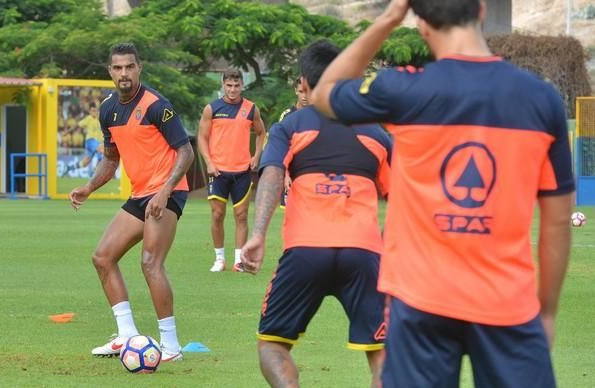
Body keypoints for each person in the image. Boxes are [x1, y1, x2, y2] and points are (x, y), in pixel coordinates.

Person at [311, 1, 575, 387]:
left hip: (419, 302)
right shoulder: (540, 98)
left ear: (420, 23)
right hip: (507, 302)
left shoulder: (403, 88)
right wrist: (547, 311)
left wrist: (387, 18)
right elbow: (558, 218)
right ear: (482, 10)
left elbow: (325, 92)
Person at [241, 40, 392, 388]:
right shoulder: (376, 134)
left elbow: (272, 173)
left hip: (305, 252)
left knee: (272, 345)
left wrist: (259, 233)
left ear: (304, 85)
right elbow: (403, 195)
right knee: (383, 353)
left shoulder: (291, 126)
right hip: (364, 254)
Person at [69, 43, 194, 361]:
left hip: (168, 192)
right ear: (110, 71)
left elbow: (186, 152)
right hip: (140, 195)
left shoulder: (156, 105)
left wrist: (165, 190)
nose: (124, 73)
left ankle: (171, 347)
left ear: (139, 68)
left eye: (129, 66)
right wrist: (89, 187)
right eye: (118, 67)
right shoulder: (108, 109)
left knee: (150, 263)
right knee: (102, 257)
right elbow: (110, 161)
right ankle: (127, 337)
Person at [197, 68, 266, 272]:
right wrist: (209, 162)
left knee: (241, 215)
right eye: (229, 85)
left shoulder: (252, 109)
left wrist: (257, 155)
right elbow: (202, 137)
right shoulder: (212, 109)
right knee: (217, 214)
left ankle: (239, 260)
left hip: (242, 171)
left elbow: (262, 133)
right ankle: (219, 259)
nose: (233, 89)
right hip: (217, 172)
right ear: (223, 85)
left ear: (242, 86)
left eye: (236, 85)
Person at [276, 78, 309, 208]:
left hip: (311, 172)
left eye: (307, 91)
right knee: (291, 214)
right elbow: (282, 147)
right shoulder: (287, 116)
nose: (305, 96)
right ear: (296, 91)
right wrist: (285, 174)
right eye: (301, 91)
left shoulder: (320, 114)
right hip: (291, 174)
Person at [63, 103, 105, 177]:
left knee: (86, 162)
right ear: (89, 111)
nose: (94, 112)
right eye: (92, 111)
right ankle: (93, 174)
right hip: (91, 141)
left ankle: (69, 168)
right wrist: (67, 132)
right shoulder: (88, 118)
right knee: (101, 152)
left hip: (96, 143)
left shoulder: (100, 119)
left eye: (95, 111)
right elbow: (77, 125)